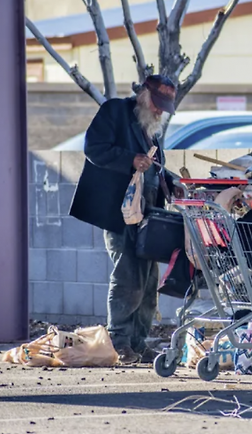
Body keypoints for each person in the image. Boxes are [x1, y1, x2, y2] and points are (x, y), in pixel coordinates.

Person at [69, 75, 179, 364]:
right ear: (143, 94)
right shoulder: (115, 111)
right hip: (120, 210)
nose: (159, 111)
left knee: (148, 279)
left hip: (148, 215)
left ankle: (138, 342)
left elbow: (155, 166)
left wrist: (172, 180)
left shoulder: (150, 129)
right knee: (128, 276)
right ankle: (119, 341)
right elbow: (94, 148)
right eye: (157, 104)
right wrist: (130, 159)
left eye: (163, 107)